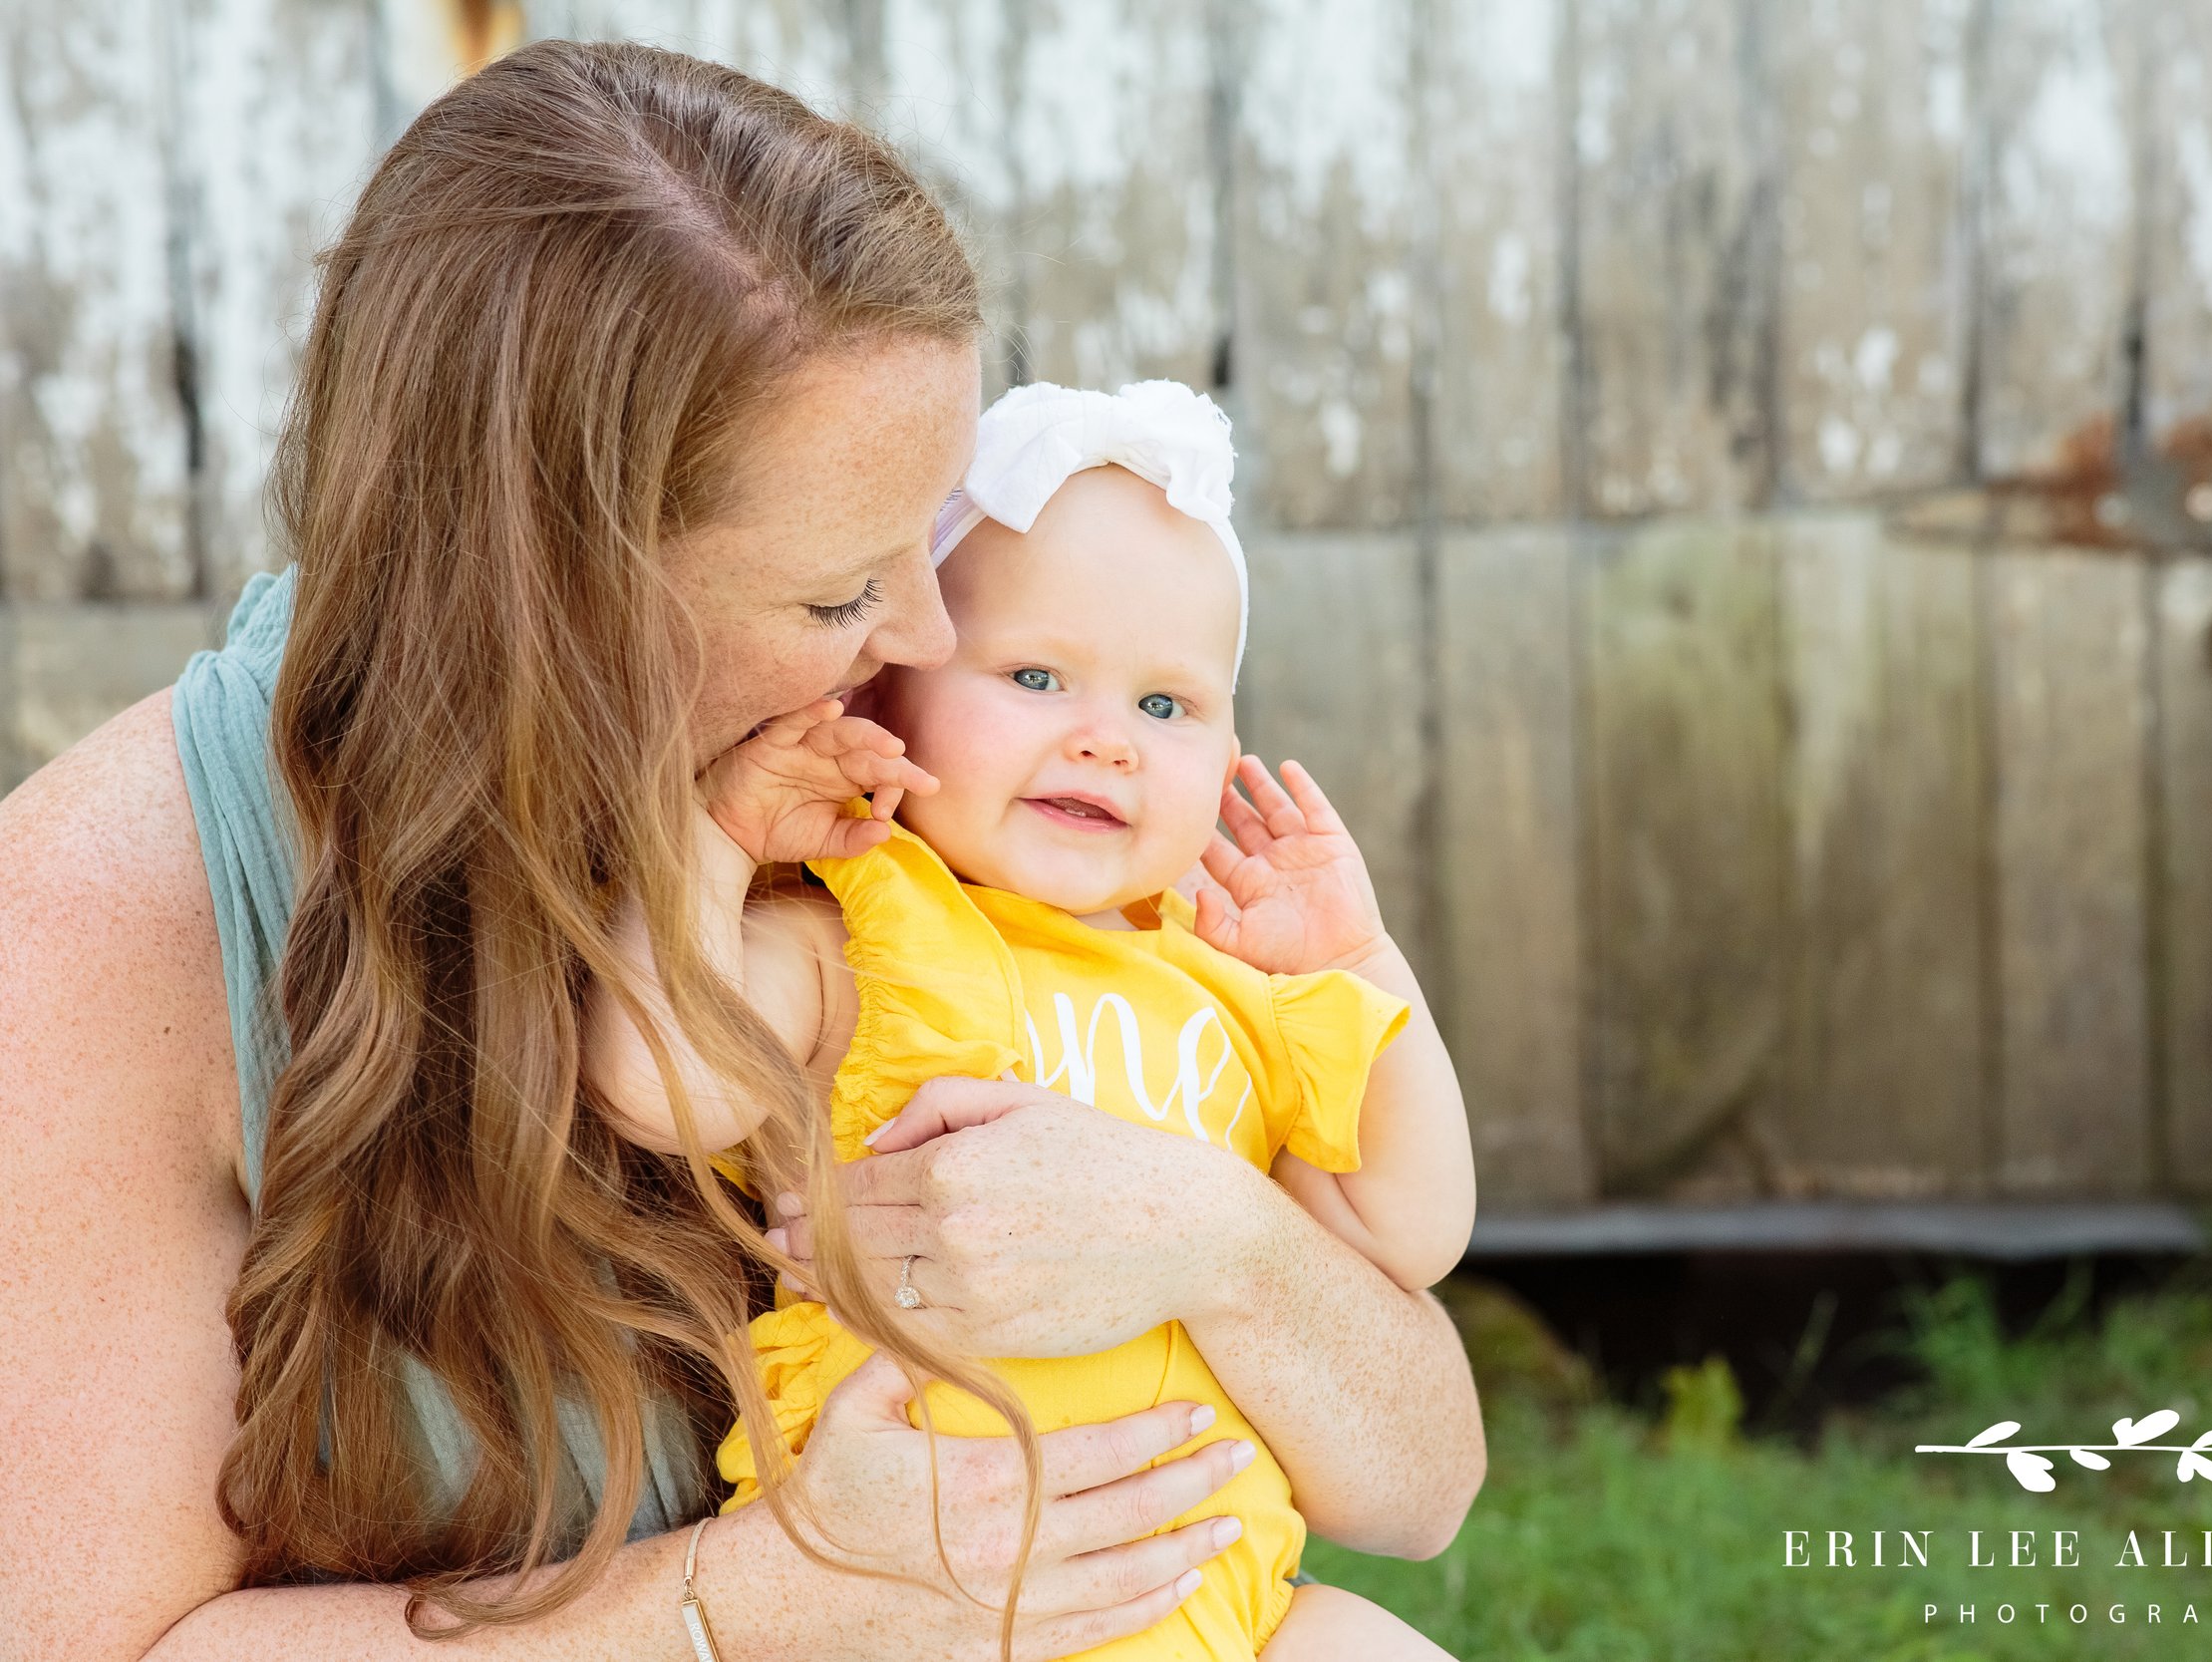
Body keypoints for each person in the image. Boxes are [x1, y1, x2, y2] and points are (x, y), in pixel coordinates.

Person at [0, 40, 1483, 1660]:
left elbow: (1422, 1486)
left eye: (925, 546)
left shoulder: (915, 797)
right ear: (560, 606)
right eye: (846, 591)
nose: (929, 637)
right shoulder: (91, 934)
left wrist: (1217, 1236)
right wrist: (759, 1603)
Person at [582, 381, 1476, 1660]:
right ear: (887, 702)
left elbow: (1410, 1229)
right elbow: (656, 1086)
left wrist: (1364, 962)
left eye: (1165, 706)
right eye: (1037, 675)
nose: (1104, 740)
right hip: (924, 1605)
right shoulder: (866, 932)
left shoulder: (1224, 981)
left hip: (1221, 1603)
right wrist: (710, 843)